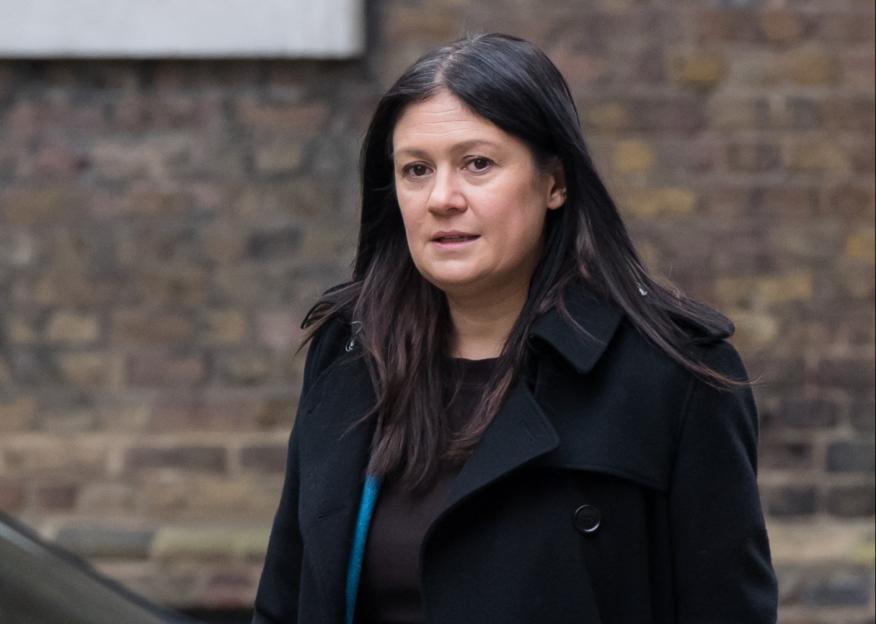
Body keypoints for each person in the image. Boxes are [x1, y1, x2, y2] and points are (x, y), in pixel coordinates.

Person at [252, 32, 778, 624]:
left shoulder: (672, 375)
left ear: (554, 182)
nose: (442, 199)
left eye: (478, 164)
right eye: (416, 170)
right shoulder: (352, 350)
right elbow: (285, 600)